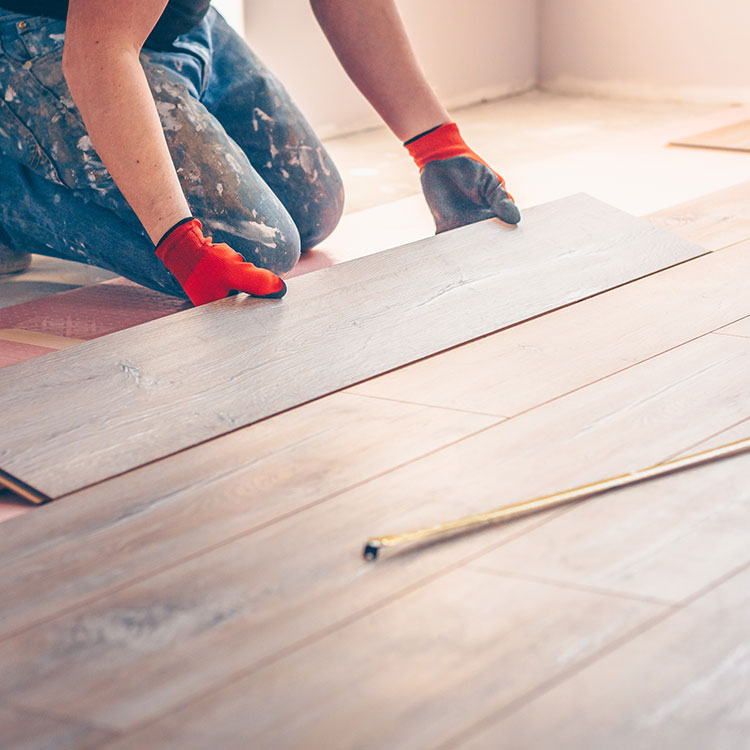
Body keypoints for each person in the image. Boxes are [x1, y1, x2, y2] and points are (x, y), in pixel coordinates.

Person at [0, 0, 520, 305]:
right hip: (50, 34)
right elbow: (101, 52)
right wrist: (179, 243)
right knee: (257, 250)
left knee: (314, 210)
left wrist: (436, 145)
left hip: (175, 21)